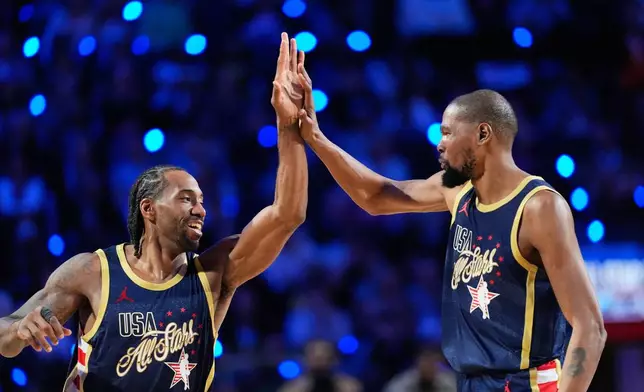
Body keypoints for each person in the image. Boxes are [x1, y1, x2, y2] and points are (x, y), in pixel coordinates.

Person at [0, 32, 308, 392]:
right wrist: (21, 330)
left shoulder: (215, 271)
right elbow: (6, 336)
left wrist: (289, 128)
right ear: (149, 208)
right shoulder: (92, 272)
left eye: (203, 201)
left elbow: (288, 214)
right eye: (187, 199)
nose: (200, 210)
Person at [292, 62, 606, 391]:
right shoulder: (457, 191)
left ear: (483, 134)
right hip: (469, 382)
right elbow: (375, 196)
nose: (439, 144)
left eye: (448, 132)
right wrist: (316, 138)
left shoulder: (539, 207)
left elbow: (590, 327)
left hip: (524, 382)